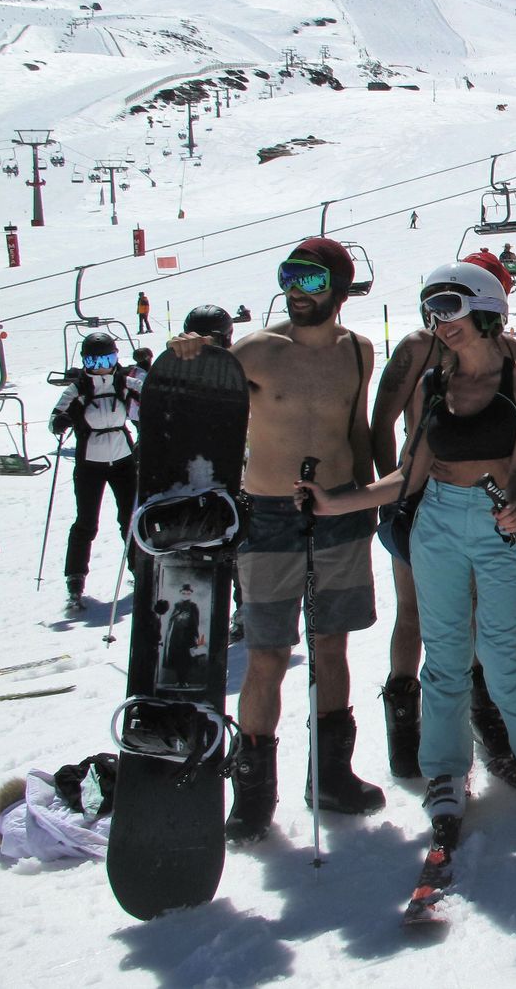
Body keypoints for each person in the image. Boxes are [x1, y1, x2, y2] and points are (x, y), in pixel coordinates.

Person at [300, 260, 516, 827]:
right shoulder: (434, 385)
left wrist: (514, 502)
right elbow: (410, 472)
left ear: (485, 308)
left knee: (502, 654)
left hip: (496, 526)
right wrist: (336, 501)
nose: (440, 321)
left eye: (451, 307)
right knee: (445, 658)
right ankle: (444, 771)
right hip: (436, 522)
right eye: (432, 310)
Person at [168, 237, 386, 842]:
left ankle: (332, 778)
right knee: (267, 654)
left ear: (339, 290)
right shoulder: (257, 350)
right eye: (290, 275)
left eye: (313, 280)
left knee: (332, 647)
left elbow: (358, 430)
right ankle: (253, 793)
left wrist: (368, 503)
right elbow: (202, 400)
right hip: (269, 516)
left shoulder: (358, 351)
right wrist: (189, 354)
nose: (297, 289)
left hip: (339, 514)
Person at [368, 251, 516, 778]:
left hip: (480, 502)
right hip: (422, 494)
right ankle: (404, 719)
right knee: (416, 610)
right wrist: (396, 488)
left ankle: (485, 715)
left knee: (484, 611)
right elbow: (382, 419)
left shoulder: (510, 353)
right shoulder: (419, 347)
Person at [49, 332, 143, 612]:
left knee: (131, 519)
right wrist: (61, 422)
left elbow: (153, 391)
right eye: (96, 359)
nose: (103, 365)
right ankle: (75, 580)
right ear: (86, 361)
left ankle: (141, 570)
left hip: (122, 460)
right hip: (90, 464)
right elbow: (54, 417)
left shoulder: (124, 383)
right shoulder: (78, 389)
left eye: (109, 358)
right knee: (86, 523)